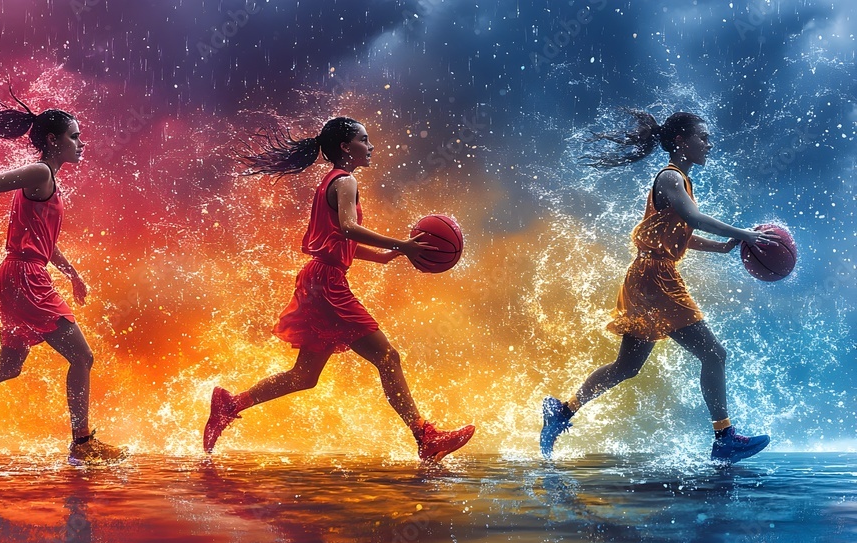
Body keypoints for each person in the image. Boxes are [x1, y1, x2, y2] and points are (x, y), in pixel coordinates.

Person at [204, 117, 475, 461]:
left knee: (304, 376)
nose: (371, 146)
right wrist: (402, 245)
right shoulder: (345, 180)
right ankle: (425, 437)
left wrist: (384, 256)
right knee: (388, 357)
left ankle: (231, 404)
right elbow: (347, 228)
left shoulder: (330, 181)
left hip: (320, 279)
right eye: (364, 140)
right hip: (327, 284)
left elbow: (336, 236)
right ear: (346, 147)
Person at [540, 110, 778, 465]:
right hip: (655, 278)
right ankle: (724, 437)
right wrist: (743, 234)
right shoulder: (671, 177)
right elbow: (693, 218)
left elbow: (681, 231)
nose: (708, 144)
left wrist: (722, 246)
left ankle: (562, 411)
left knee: (626, 367)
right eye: (703, 137)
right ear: (681, 141)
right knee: (714, 355)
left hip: (647, 276)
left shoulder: (679, 181)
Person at [0, 88, 128, 466]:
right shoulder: (40, 171)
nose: (81, 143)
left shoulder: (47, 179)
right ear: (53, 140)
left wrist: (74, 275)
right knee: (82, 357)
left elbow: (45, 243)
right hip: (24, 278)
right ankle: (82, 445)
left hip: (17, 275)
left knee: (8, 366)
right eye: (74, 137)